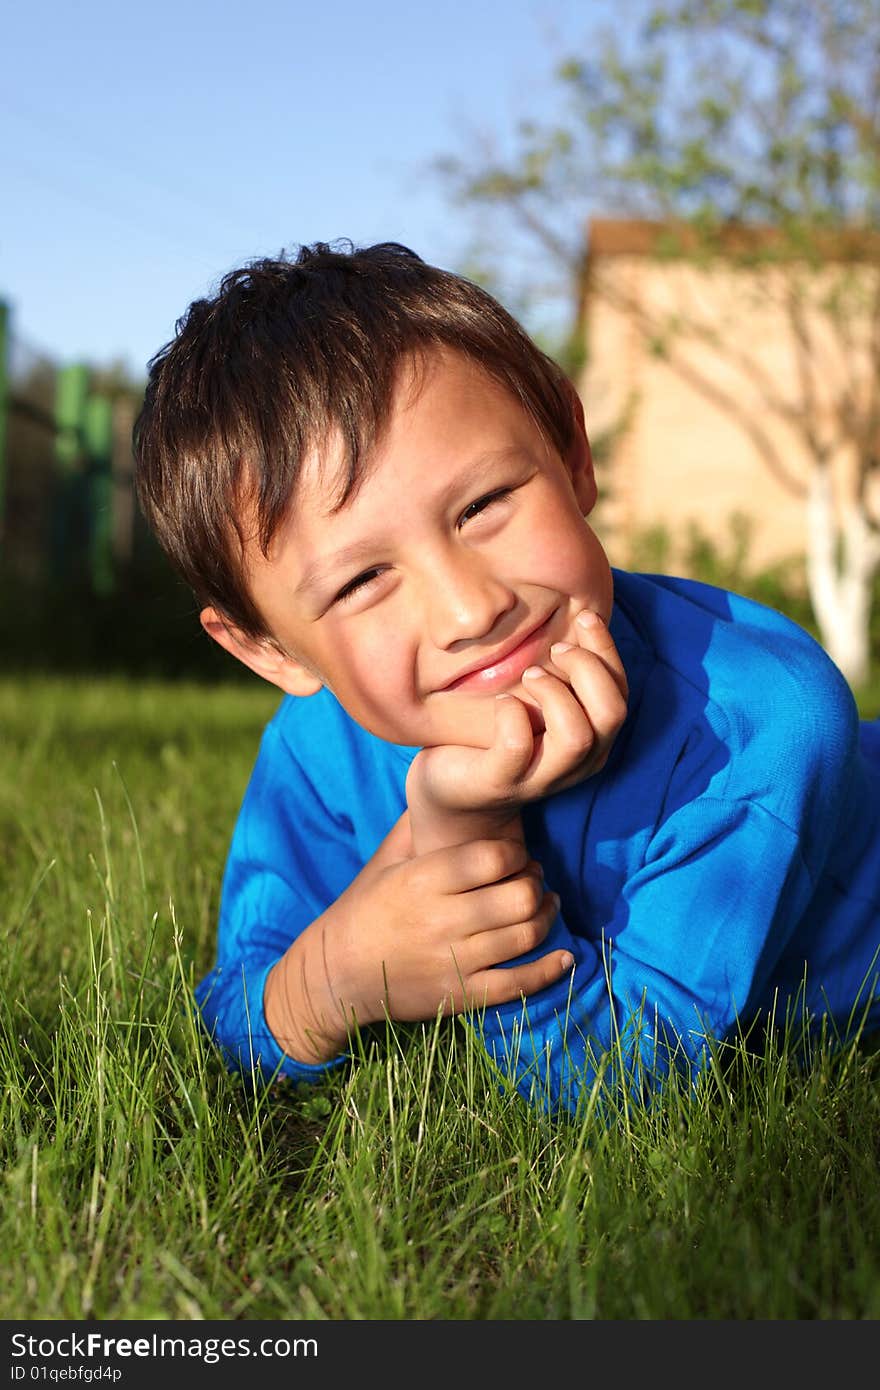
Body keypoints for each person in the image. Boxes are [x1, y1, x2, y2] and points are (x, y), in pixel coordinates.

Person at [133, 239, 880, 1117]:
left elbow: (621, 1094)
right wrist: (332, 977)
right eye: (362, 581)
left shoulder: (762, 723)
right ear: (273, 651)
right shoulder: (317, 750)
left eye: (484, 505)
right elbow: (239, 1010)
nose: (469, 609)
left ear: (572, 452)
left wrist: (466, 836)